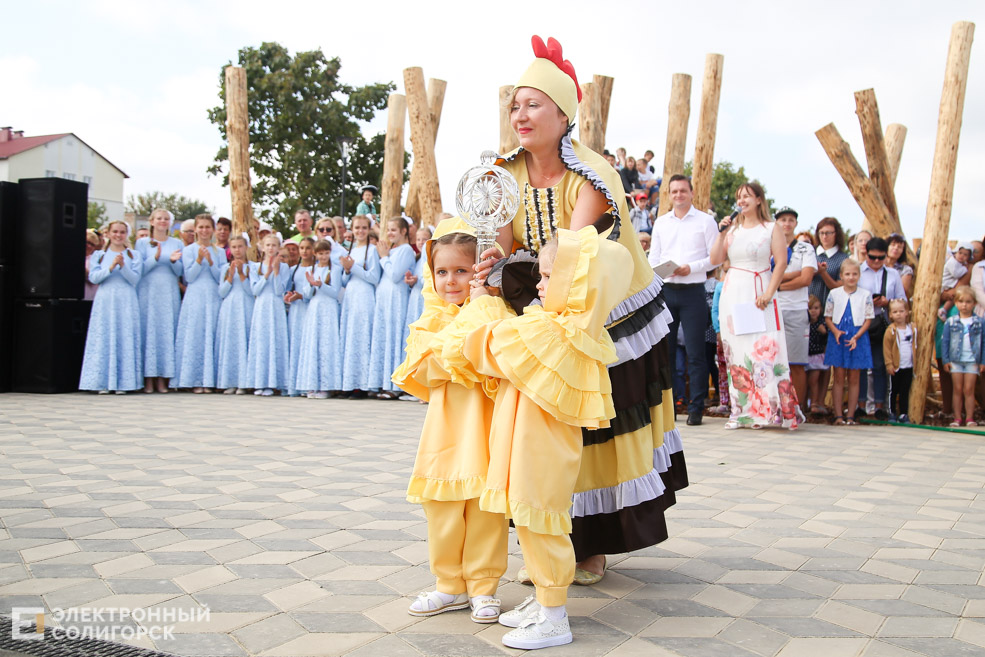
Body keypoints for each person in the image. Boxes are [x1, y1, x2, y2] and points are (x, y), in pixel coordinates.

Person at [480, 36, 684, 588]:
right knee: (540, 423)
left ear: (564, 113)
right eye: (515, 105)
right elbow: (501, 246)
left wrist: (520, 280)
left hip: (606, 313)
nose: (520, 115)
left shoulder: (593, 175)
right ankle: (550, 540)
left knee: (597, 426)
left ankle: (592, 549)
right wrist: (488, 263)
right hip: (543, 305)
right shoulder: (505, 172)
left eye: (533, 104)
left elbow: (571, 257)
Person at [446, 226, 632, 649]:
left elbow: (489, 346)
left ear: (578, 286)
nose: (540, 284)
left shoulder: (555, 333)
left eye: (549, 278)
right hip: (526, 446)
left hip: (537, 453)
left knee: (539, 522)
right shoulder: (564, 327)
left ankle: (554, 616)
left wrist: (482, 304)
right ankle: (543, 601)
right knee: (530, 522)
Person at [391, 225, 510, 625]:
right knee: (442, 509)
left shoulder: (496, 312)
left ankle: (482, 585)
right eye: (442, 272)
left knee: (484, 510)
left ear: (478, 271)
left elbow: (490, 358)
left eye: (461, 270)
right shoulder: (431, 319)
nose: (450, 280)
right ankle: (449, 585)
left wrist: (481, 308)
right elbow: (425, 367)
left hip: (486, 429)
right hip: (444, 433)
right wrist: (462, 338)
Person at [711, 182, 802, 430]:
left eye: (747, 196)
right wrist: (721, 233)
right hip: (734, 292)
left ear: (759, 200)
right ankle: (741, 411)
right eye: (739, 197)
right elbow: (715, 259)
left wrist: (769, 292)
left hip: (759, 291)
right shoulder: (732, 230)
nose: (742, 201)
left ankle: (768, 410)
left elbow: (781, 263)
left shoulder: (771, 228)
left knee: (762, 350)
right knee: (736, 352)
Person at [650, 174, 722, 425]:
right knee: (665, 354)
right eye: (674, 191)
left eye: (683, 191)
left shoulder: (706, 221)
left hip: (693, 291)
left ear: (691, 193)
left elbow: (716, 258)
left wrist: (690, 267)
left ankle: (696, 408)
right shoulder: (661, 223)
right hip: (667, 292)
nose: (679, 195)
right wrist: (663, 270)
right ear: (669, 195)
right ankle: (668, 409)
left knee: (696, 353)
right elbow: (654, 258)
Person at [79, 220, 143, 394]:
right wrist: (111, 267)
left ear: (126, 235)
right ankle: (102, 381)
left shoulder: (133, 255)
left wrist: (122, 266)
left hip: (126, 298)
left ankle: (124, 382)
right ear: (108, 233)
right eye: (115, 231)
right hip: (106, 299)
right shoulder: (99, 255)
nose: (118, 235)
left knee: (123, 335)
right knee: (105, 336)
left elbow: (135, 279)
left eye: (122, 232)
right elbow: (94, 278)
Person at [172, 214, 227, 392]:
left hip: (212, 295)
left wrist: (211, 262)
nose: (204, 231)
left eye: (207, 227)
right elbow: (189, 277)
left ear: (213, 230)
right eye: (201, 227)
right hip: (195, 295)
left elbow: (221, 277)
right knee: (195, 334)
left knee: (211, 334)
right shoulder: (188, 250)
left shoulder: (219, 251)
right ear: (195, 229)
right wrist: (198, 260)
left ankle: (209, 380)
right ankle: (194, 379)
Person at [136, 209, 184, 394]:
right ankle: (148, 379)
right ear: (152, 221)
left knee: (166, 332)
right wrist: (155, 258)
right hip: (149, 291)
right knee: (149, 332)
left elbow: (180, 271)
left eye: (166, 219)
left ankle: (164, 379)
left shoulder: (176, 242)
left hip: (168, 290)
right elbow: (140, 269)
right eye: (159, 219)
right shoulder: (142, 243)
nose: (162, 222)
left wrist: (172, 261)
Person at [368, 217, 417, 399]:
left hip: (396, 298)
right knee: (384, 337)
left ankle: (395, 385)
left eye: (393, 230)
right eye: (388, 230)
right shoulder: (392, 251)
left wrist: (384, 258)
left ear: (404, 231)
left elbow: (395, 275)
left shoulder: (406, 250)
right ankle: (382, 381)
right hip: (384, 298)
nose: (390, 233)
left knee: (395, 337)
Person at [775, 207, 817, 413]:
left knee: (796, 363)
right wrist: (794, 275)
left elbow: (807, 278)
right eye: (783, 219)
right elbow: (765, 277)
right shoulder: (769, 248)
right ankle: (776, 407)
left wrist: (778, 284)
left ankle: (797, 409)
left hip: (796, 309)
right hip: (772, 309)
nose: (787, 223)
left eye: (791, 220)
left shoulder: (805, 249)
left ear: (796, 223)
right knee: (772, 363)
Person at [858, 237, 905, 420]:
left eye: (880, 257)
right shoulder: (858, 271)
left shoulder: (893, 274)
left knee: (879, 365)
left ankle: (879, 406)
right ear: (866, 253)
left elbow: (903, 299)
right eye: (872, 257)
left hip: (883, 322)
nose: (876, 261)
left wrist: (888, 302)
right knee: (861, 366)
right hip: (861, 323)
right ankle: (860, 405)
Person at [823, 258, 873, 425]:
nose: (851, 277)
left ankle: (850, 415)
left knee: (854, 378)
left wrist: (857, 336)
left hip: (857, 336)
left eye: (854, 274)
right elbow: (828, 317)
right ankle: (838, 415)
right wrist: (835, 331)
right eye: (847, 274)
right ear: (841, 276)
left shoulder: (865, 295)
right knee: (838, 376)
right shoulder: (834, 294)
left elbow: (868, 319)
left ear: (859, 275)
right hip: (839, 335)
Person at [339, 215, 381, 397]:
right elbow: (343, 279)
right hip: (351, 296)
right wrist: (347, 269)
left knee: (363, 337)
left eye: (364, 228)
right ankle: (350, 382)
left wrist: (353, 267)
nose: (360, 231)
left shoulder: (372, 251)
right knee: (350, 338)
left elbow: (374, 277)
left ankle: (364, 384)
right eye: (357, 228)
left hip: (365, 297)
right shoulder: (350, 249)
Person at [297, 240, 343, 398]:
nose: (324, 256)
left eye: (326, 253)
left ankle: (327, 386)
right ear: (315, 255)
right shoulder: (311, 269)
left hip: (328, 308)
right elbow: (307, 295)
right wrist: (311, 285)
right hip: (315, 309)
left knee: (326, 345)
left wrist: (321, 284)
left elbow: (335, 292)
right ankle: (312, 384)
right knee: (313, 344)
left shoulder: (335, 269)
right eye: (320, 253)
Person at [246, 234, 291, 396]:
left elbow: (280, 290)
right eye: (268, 245)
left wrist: (277, 272)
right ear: (262, 247)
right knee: (262, 341)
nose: (271, 248)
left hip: (276, 305)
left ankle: (275, 382)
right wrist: (267, 274)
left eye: (274, 245)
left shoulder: (285, 267)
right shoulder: (255, 267)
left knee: (275, 339)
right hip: (261, 306)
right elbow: (255, 290)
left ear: (278, 248)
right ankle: (259, 381)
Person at [216, 236, 255, 395]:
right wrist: (231, 276)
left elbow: (251, 291)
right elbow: (222, 291)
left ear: (246, 248)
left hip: (245, 306)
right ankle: (230, 380)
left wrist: (241, 273)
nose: (237, 250)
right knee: (231, 342)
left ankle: (244, 382)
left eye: (240, 246)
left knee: (244, 341)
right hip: (230, 307)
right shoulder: (225, 268)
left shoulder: (253, 267)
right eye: (234, 247)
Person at [941, 286, 985, 427]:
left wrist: (983, 361)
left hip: (972, 360)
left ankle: (970, 418)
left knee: (969, 390)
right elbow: (945, 342)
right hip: (956, 360)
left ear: (974, 304)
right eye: (961, 301)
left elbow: (983, 342)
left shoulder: (980, 322)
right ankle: (957, 418)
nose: (964, 305)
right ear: (956, 303)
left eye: (968, 302)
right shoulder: (951, 321)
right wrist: (946, 360)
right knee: (957, 389)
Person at [285, 237, 316, 397]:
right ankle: (294, 384)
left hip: (308, 310)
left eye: (308, 248)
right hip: (296, 312)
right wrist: (289, 296)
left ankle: (307, 383)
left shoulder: (316, 268)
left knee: (307, 344)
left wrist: (301, 296)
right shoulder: (293, 269)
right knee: (295, 344)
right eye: (302, 248)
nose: (304, 251)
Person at [883, 298, 916, 423]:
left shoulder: (912, 329)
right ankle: (891, 412)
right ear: (890, 314)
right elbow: (886, 349)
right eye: (895, 312)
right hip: (895, 366)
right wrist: (889, 364)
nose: (899, 314)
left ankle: (903, 413)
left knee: (904, 390)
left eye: (901, 311)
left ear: (907, 312)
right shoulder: (890, 331)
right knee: (893, 390)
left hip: (908, 366)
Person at [403, 224, 433, 353]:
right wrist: (410, 282)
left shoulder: (429, 257)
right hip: (414, 297)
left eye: (424, 239)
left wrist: (418, 280)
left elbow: (428, 278)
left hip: (423, 298)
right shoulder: (417, 258)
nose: (421, 242)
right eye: (419, 239)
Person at [939, 242, 973, 320]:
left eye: (965, 255)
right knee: (953, 295)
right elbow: (956, 274)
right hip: (946, 284)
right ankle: (942, 310)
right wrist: (965, 269)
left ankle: (943, 310)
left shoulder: (961, 263)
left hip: (951, 285)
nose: (962, 256)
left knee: (954, 297)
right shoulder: (952, 262)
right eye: (960, 253)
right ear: (956, 252)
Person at [806, 295, 828, 413]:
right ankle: (805, 403)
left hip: (817, 356)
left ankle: (814, 403)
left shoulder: (821, 323)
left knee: (813, 380)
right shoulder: (804, 323)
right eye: (810, 308)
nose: (813, 311)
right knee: (805, 381)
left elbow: (826, 335)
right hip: (805, 355)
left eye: (816, 308)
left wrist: (823, 330)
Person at [886, 233, 914, 299]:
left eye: (900, 247)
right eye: (893, 245)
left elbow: (902, 290)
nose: (896, 248)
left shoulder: (906, 270)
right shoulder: (877, 266)